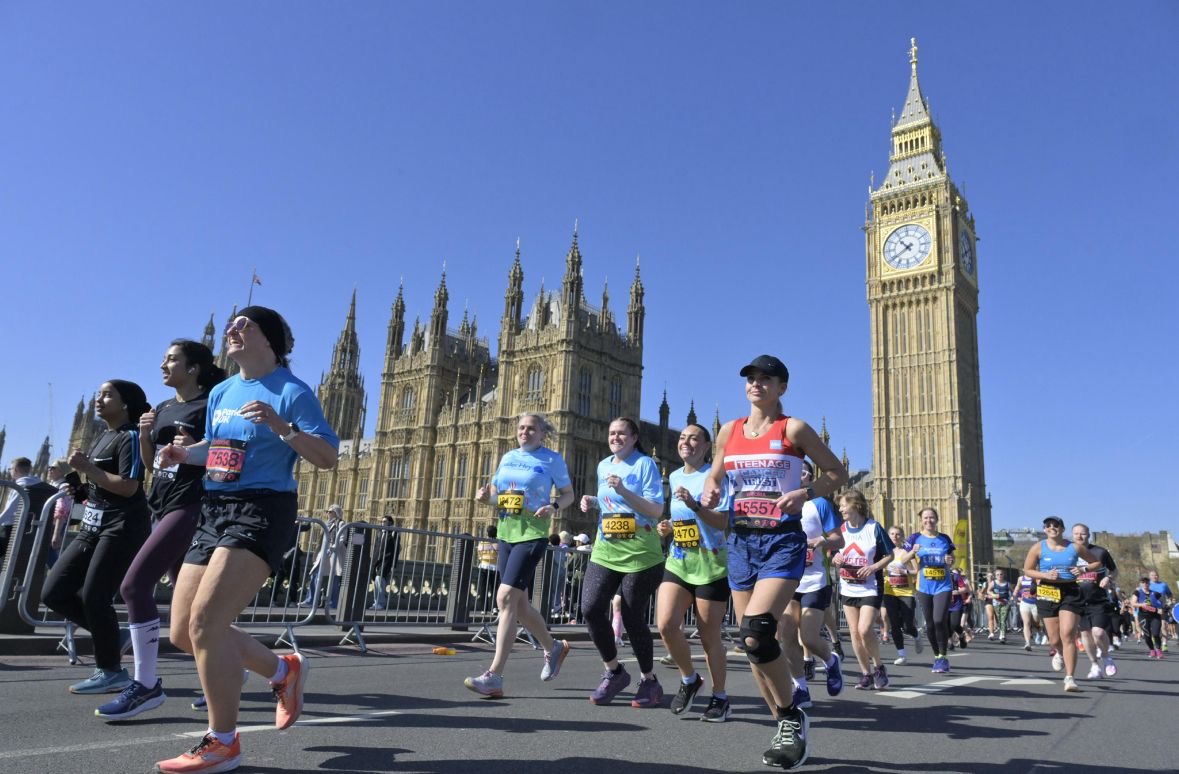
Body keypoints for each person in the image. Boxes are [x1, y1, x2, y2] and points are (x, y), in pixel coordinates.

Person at [153, 306, 339, 773]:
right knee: (182, 632)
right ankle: (283, 670)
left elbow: (328, 457)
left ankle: (222, 741)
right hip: (216, 508)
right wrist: (182, 452)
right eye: (232, 326)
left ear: (269, 340)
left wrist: (282, 426)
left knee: (208, 621)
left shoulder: (292, 391)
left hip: (262, 508)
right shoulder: (222, 391)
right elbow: (216, 449)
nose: (234, 331)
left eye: (245, 326)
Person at [701, 355, 847, 770]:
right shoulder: (729, 430)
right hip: (742, 541)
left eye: (766, 378)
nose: (756, 384)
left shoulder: (794, 429)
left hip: (782, 541)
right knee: (753, 649)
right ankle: (786, 724)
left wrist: (806, 493)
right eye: (750, 378)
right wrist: (712, 490)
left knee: (756, 629)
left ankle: (791, 718)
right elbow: (716, 475)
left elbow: (836, 473)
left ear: (782, 387)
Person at [95, 340, 226, 721]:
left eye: (171, 359)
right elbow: (152, 466)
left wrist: (196, 450)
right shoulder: (165, 407)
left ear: (195, 367)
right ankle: (235, 666)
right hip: (163, 502)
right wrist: (147, 437)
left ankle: (146, 683)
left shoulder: (213, 403)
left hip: (194, 504)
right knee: (193, 612)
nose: (162, 365)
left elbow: (229, 454)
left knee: (134, 585)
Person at [42, 380, 152, 694]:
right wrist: (71, 479)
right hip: (93, 525)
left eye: (107, 395)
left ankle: (111, 671)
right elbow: (93, 493)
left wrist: (88, 467)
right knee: (54, 591)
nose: (99, 400)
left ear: (126, 403)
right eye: (98, 395)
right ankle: (112, 637)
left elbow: (129, 486)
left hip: (122, 527)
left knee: (94, 596)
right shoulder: (102, 436)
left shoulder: (130, 436)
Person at [464, 413, 574, 698]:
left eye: (531, 429)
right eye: (521, 428)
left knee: (504, 598)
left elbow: (568, 494)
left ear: (542, 433)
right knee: (520, 607)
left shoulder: (552, 459)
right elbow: (497, 496)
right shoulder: (508, 458)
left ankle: (495, 675)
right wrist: (484, 497)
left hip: (533, 534)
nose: (525, 432)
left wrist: (553, 506)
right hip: (507, 533)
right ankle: (554, 647)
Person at [580, 416, 668, 709]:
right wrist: (593, 501)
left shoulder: (645, 464)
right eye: (612, 433)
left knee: (631, 617)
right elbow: (611, 504)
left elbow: (655, 509)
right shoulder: (604, 465)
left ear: (634, 437)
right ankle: (615, 671)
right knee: (591, 608)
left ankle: (649, 680)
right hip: (606, 550)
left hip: (641, 555)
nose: (615, 437)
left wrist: (624, 492)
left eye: (621, 433)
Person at [655, 424, 733, 721]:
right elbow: (683, 522)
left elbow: (721, 521)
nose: (686, 442)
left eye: (694, 438)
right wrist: (669, 527)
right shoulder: (674, 476)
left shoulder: (716, 477)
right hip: (679, 561)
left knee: (708, 635)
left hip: (711, 566)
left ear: (706, 446)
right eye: (682, 438)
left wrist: (695, 504)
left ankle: (720, 696)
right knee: (665, 625)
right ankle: (690, 679)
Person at [783, 461, 844, 707]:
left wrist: (821, 541)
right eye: (799, 471)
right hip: (787, 579)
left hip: (815, 580)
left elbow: (838, 540)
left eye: (807, 472)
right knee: (786, 635)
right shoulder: (782, 502)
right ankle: (801, 688)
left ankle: (831, 661)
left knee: (807, 638)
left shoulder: (820, 504)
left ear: (811, 480)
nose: (803, 475)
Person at [1022, 515, 1101, 692]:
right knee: (1055, 639)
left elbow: (1096, 562)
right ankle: (1058, 652)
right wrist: (1045, 575)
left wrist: (1083, 569)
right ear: (1044, 530)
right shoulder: (1038, 547)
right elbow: (1027, 570)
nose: (1052, 528)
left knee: (1068, 634)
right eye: (1048, 526)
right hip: (1047, 591)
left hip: (1070, 592)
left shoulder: (1074, 547)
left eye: (1055, 525)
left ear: (1062, 529)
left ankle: (1070, 678)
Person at [831, 490, 894, 690]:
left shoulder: (873, 528)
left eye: (843, 505)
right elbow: (833, 553)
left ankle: (879, 667)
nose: (840, 509)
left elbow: (889, 555)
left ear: (855, 505)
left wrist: (874, 567)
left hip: (870, 587)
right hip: (848, 587)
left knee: (864, 629)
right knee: (854, 633)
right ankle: (866, 673)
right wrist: (836, 558)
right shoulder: (841, 529)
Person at [893, 507, 955, 673]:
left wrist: (950, 560)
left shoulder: (944, 538)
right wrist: (912, 551)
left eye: (932, 517)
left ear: (937, 519)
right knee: (929, 625)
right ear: (921, 520)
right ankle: (937, 656)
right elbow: (902, 560)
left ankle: (943, 656)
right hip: (923, 586)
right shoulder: (915, 538)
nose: (929, 520)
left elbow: (951, 559)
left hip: (943, 585)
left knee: (938, 620)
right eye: (926, 518)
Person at [1071, 524, 1118, 679]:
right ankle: (1094, 665)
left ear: (1088, 535)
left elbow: (1114, 570)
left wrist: (1108, 578)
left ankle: (1106, 657)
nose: (1079, 536)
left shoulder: (1100, 552)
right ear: (1072, 535)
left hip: (1098, 599)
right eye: (1076, 534)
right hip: (1077, 600)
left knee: (1097, 632)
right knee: (1085, 634)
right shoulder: (1068, 553)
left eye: (1082, 534)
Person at [881, 524, 922, 665]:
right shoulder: (884, 552)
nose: (894, 536)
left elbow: (916, 571)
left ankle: (916, 635)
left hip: (906, 592)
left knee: (907, 625)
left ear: (902, 537)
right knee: (894, 624)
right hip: (889, 591)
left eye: (897, 534)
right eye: (892, 534)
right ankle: (902, 655)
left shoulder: (907, 552)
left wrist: (904, 572)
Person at [301, 505, 347, 609]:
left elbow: (342, 538)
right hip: (323, 553)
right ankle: (310, 601)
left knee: (334, 580)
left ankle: (332, 603)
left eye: (330, 511)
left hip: (334, 555)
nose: (327, 513)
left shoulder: (341, 523)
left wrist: (333, 547)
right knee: (315, 576)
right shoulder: (326, 524)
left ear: (336, 512)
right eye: (327, 511)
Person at [369, 516, 399, 610]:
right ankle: (376, 602)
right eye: (382, 521)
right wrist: (373, 562)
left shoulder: (394, 534)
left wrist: (394, 565)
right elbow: (376, 549)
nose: (382, 523)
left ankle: (380, 603)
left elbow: (396, 550)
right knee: (376, 582)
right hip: (377, 561)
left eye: (385, 521)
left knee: (379, 579)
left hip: (387, 561)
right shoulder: (379, 533)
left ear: (390, 523)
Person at [1133, 576, 1166, 659]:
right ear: (1140, 584)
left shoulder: (1155, 593)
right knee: (1147, 635)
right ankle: (1152, 650)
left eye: (1146, 583)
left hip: (1155, 616)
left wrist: (1162, 608)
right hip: (1143, 616)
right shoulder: (1137, 593)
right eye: (1143, 583)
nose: (1145, 584)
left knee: (1155, 633)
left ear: (1149, 584)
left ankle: (1159, 650)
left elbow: (1163, 601)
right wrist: (1141, 605)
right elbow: (1133, 603)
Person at [947, 568, 973, 650]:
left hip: (956, 604)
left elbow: (965, 589)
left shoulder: (955, 576)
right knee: (946, 624)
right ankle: (950, 642)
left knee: (954, 624)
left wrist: (956, 592)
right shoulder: (937, 576)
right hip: (944, 604)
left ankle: (961, 636)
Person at [986, 568, 1012, 645]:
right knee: (999, 619)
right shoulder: (993, 583)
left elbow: (1013, 591)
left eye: (1001, 574)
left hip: (1005, 603)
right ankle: (1001, 632)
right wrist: (993, 595)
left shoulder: (1007, 583)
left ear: (1004, 575)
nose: (999, 576)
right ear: (995, 576)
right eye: (997, 574)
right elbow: (988, 590)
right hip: (996, 603)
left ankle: (1002, 635)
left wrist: (1013, 597)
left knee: (1003, 619)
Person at [1016, 571, 1039, 650]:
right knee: (1026, 622)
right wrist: (1015, 594)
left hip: (1036, 603)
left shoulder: (1037, 577)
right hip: (1025, 602)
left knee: (1036, 621)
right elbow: (1017, 588)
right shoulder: (1021, 578)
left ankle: (1038, 630)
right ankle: (1027, 643)